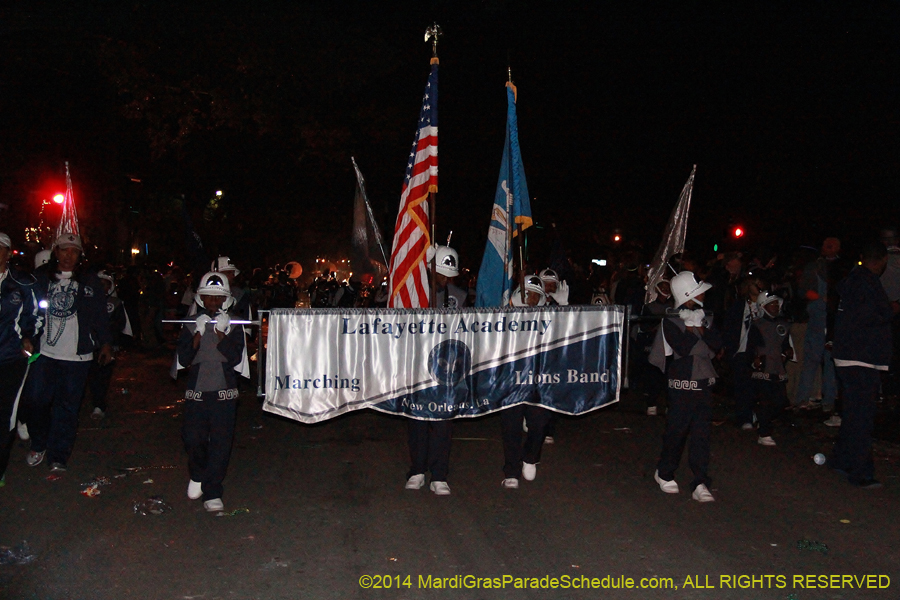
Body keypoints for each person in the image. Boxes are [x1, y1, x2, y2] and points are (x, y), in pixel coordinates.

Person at [26, 233, 112, 472]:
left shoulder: (89, 281)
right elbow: (27, 309)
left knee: (68, 407)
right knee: (36, 400)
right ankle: (39, 442)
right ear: (56, 252)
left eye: (74, 251)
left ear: (79, 255)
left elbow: (100, 314)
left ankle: (58, 456)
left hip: (77, 356)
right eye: (64, 250)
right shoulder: (41, 278)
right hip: (44, 352)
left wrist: (105, 343)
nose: (68, 255)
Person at [649, 271, 722, 503]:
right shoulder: (670, 321)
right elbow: (682, 349)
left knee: (702, 434)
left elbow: (717, 346)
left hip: (704, 384)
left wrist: (701, 327)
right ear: (687, 296)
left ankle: (700, 481)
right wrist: (691, 332)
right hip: (681, 384)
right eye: (698, 292)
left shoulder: (705, 318)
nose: (703, 296)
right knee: (677, 430)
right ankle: (664, 472)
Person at [176, 271, 247, 511]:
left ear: (225, 300)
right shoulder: (189, 325)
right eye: (209, 298)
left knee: (220, 443)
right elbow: (184, 359)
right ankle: (197, 473)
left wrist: (222, 334)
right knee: (193, 438)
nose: (213, 303)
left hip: (224, 394)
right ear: (201, 299)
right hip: (196, 393)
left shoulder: (234, 325)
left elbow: (235, 358)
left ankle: (213, 491)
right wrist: (196, 332)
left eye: (218, 298)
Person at [830, 242, 895, 489]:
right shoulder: (866, 283)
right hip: (862, 357)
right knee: (862, 416)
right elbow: (869, 316)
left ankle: (842, 459)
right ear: (881, 261)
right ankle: (861, 471)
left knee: (854, 412)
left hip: (852, 355)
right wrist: (890, 311)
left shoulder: (854, 280)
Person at [405, 245, 464, 496]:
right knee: (417, 418)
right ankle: (417, 471)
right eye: (440, 273)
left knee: (442, 421)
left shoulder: (459, 296)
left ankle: (439, 475)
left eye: (447, 275)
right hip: (417, 364)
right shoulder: (416, 291)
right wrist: (420, 271)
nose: (444, 279)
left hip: (445, 366)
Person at [500, 275, 553, 489]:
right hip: (511, 379)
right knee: (511, 426)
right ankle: (511, 470)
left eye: (536, 296)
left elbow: (569, 328)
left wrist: (564, 306)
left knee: (539, 423)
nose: (531, 299)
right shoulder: (505, 316)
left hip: (538, 379)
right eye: (528, 294)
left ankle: (530, 456)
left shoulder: (549, 316)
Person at [0, 233, 38, 486]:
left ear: (8, 253)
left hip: (10, 358)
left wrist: (28, 337)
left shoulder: (22, 283)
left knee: (4, 415)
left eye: (0, 249)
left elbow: (34, 316)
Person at [747, 291, 794, 446]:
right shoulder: (757, 325)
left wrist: (787, 352)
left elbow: (785, 344)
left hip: (778, 367)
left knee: (780, 401)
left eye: (776, 303)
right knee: (766, 400)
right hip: (764, 367)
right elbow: (752, 346)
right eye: (771, 303)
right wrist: (755, 360)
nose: (775, 306)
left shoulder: (783, 324)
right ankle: (764, 433)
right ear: (763, 306)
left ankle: (761, 418)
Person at [87, 270, 133, 419]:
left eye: (105, 284)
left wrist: (112, 342)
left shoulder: (115, 303)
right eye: (99, 284)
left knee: (102, 377)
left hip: (106, 347)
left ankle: (99, 406)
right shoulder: (86, 301)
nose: (102, 287)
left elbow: (121, 324)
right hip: (88, 347)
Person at [636, 279, 673, 416]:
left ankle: (670, 405)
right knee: (653, 375)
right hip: (654, 346)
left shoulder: (674, 308)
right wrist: (657, 326)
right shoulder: (649, 307)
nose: (665, 289)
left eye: (668, 287)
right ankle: (651, 403)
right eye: (662, 287)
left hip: (670, 346)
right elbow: (643, 326)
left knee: (670, 377)